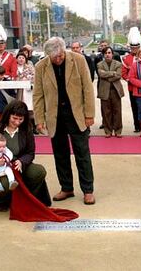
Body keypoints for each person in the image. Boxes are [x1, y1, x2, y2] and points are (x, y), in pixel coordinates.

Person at [33, 37, 96, 205]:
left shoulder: (79, 60)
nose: (59, 59)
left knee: (82, 154)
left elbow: (88, 88)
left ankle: (88, 190)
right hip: (55, 117)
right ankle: (67, 187)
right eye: (55, 57)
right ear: (48, 55)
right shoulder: (40, 67)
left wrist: (89, 114)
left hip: (77, 115)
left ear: (63, 50)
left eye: (60, 55)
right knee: (60, 155)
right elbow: (38, 95)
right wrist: (39, 119)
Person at [0, 100, 51, 213]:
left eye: (21, 119)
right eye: (14, 118)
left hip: (18, 166)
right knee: (4, 184)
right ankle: (1, 202)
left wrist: (22, 161)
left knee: (39, 171)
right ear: (8, 115)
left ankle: (27, 197)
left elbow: (30, 153)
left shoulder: (26, 130)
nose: (17, 122)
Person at [96, 46, 124, 138]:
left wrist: (107, 74)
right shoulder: (100, 64)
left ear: (112, 54)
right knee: (106, 112)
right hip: (104, 91)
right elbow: (101, 74)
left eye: (109, 53)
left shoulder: (118, 64)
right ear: (103, 55)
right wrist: (113, 73)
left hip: (115, 91)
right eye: (106, 53)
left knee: (117, 111)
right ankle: (108, 130)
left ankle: (118, 130)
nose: (107, 55)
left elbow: (118, 75)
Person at [15, 52, 35, 131]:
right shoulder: (14, 67)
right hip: (18, 90)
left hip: (28, 90)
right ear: (16, 59)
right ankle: (20, 126)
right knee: (19, 108)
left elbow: (34, 77)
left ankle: (32, 126)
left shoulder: (29, 67)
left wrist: (29, 83)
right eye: (19, 58)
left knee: (29, 108)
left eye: (23, 58)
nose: (21, 59)